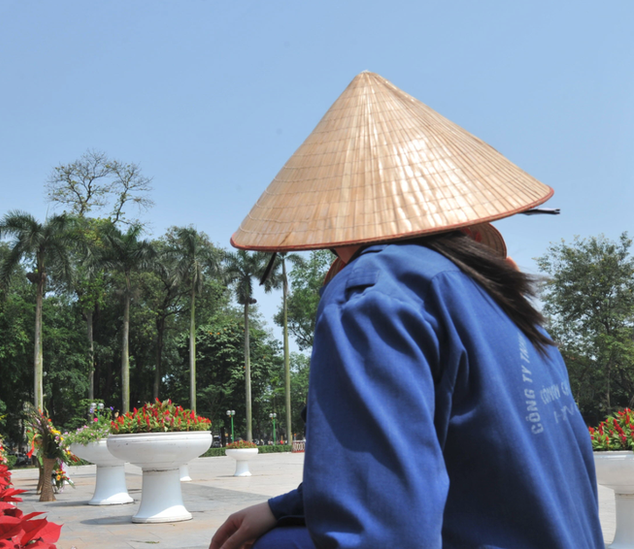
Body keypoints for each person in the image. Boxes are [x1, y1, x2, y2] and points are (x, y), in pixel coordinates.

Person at [215, 72, 604, 548]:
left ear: (329, 207)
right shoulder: (501, 296)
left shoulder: (375, 291)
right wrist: (280, 508)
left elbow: (380, 526)